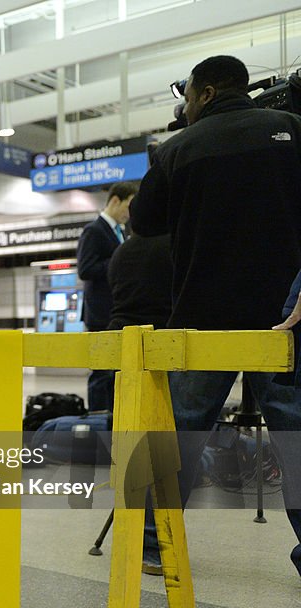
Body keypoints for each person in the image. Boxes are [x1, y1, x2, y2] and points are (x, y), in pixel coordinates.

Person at [130, 54, 301, 577]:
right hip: (286, 319)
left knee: (179, 428)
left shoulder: (177, 149)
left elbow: (143, 223)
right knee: (295, 434)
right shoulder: (293, 130)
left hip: (202, 319)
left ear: (202, 94)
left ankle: (154, 543)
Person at [76, 182, 137, 411]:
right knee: (101, 373)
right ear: (114, 201)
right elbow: (86, 269)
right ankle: (97, 422)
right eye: (128, 206)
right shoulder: (94, 230)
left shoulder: (121, 232)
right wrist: (121, 260)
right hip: (100, 313)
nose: (130, 213)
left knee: (114, 374)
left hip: (116, 312)